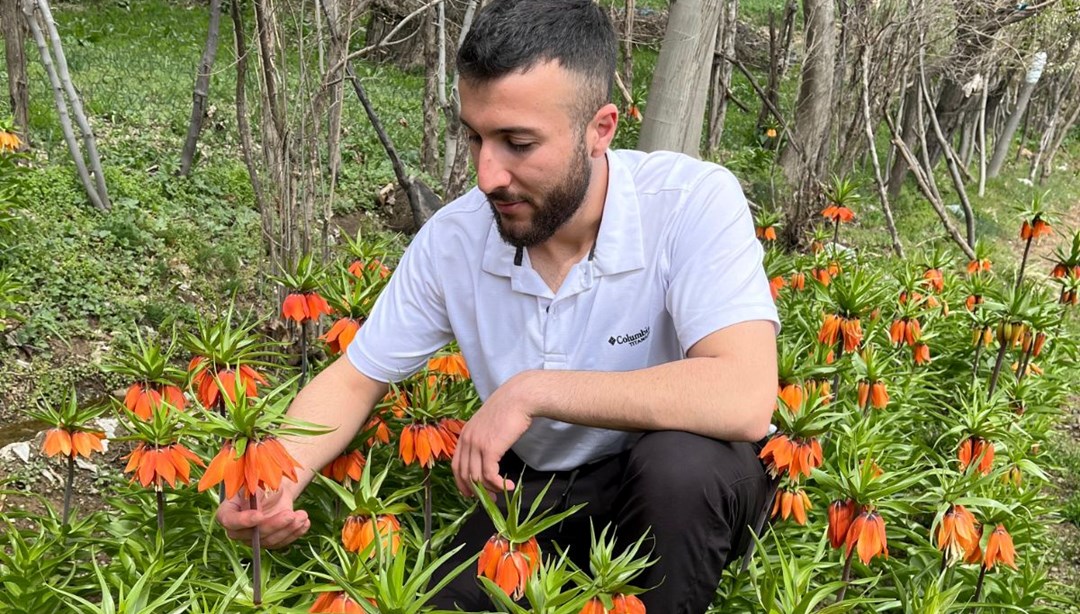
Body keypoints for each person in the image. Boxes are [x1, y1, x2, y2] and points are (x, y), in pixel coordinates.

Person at [218, 0, 779, 611]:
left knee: (678, 466)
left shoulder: (690, 201)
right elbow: (357, 378)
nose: (487, 175)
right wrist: (272, 480)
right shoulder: (456, 238)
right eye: (476, 136)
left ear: (601, 129)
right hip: (540, 490)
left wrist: (532, 391)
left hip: (682, 481)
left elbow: (744, 396)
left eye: (517, 143)